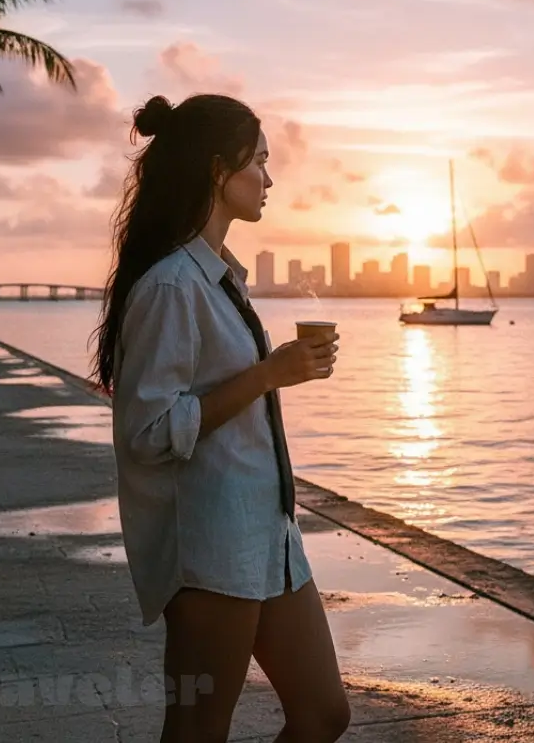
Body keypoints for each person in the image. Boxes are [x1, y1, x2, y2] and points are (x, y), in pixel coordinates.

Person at [94, 94, 349, 743]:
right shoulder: (173, 286)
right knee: (198, 730)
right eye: (260, 163)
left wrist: (277, 372)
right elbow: (149, 433)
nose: (269, 180)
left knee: (323, 714)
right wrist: (269, 374)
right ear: (218, 170)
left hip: (268, 534)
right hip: (210, 544)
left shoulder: (218, 280)